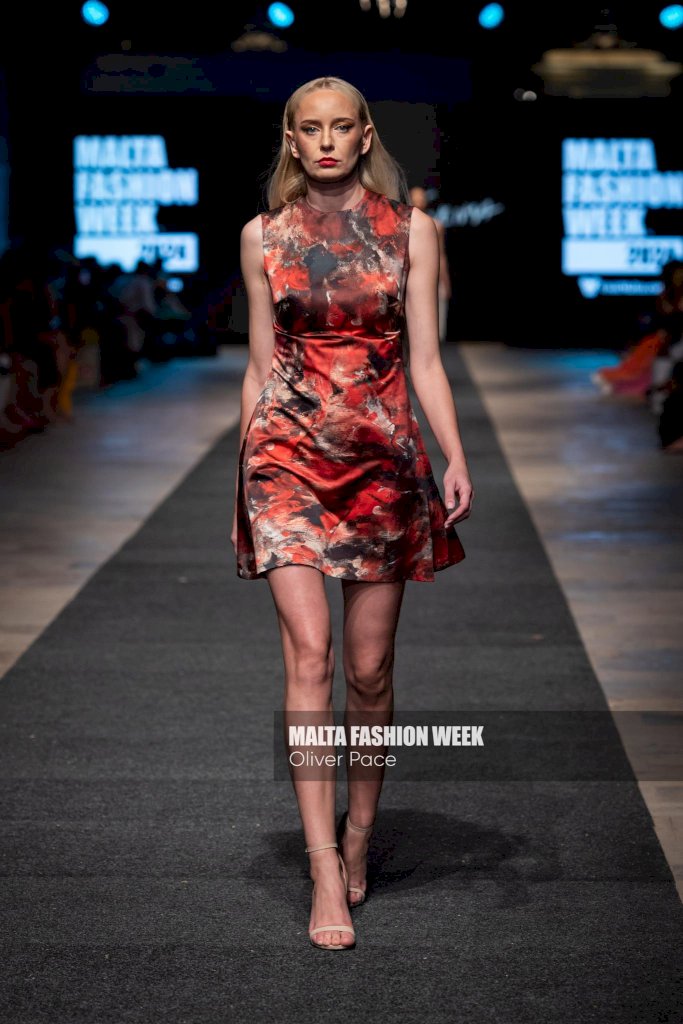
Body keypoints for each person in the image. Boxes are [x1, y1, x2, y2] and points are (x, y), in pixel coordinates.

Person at [230, 76, 473, 951]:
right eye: (311, 129)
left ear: (364, 135)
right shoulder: (263, 236)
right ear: (291, 140)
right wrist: (242, 478)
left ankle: (361, 832)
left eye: (341, 127)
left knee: (369, 671)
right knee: (311, 654)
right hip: (285, 458)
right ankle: (323, 863)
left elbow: (426, 360)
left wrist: (453, 454)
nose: (327, 141)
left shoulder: (413, 232)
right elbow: (260, 366)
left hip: (380, 461)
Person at [409, 185, 452, 342]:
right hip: (408, 277)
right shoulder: (399, 223)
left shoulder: (436, 225)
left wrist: (445, 282)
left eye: (422, 196)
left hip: (432, 276)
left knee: (434, 324)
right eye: (416, 196)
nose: (419, 200)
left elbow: (441, 255)